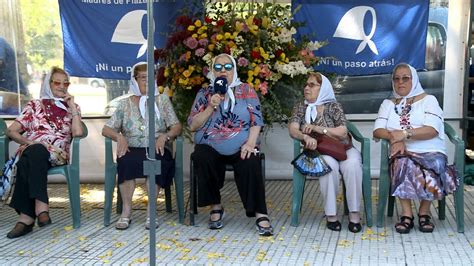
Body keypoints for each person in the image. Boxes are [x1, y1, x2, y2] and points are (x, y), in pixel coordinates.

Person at [188, 53, 273, 236]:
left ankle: (260, 213)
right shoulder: (204, 93)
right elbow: (193, 125)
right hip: (210, 145)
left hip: (241, 144)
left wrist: (250, 143)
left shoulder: (246, 90)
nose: (223, 71)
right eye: (218, 68)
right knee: (201, 156)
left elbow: (256, 120)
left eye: (228, 67)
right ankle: (216, 207)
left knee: (251, 159)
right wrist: (211, 106)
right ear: (212, 71)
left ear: (234, 69)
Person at [373, 63, 458, 234]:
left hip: (431, 148)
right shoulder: (388, 104)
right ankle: (407, 214)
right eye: (396, 79)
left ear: (414, 79)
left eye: (405, 78)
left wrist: (404, 134)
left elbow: (432, 129)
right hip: (402, 150)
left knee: (435, 164)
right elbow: (378, 129)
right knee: (402, 162)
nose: (400, 82)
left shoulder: (429, 100)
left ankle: (424, 212)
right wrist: (393, 138)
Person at [102, 62, 182, 230]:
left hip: (157, 147)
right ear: (135, 80)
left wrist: (165, 136)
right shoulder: (124, 104)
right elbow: (106, 128)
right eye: (143, 77)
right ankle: (126, 212)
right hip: (132, 147)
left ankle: (151, 213)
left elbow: (176, 126)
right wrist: (119, 136)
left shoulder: (162, 100)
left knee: (154, 160)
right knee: (126, 161)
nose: (147, 81)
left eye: (151, 77)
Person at [5, 66, 83, 239]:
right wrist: (29, 141)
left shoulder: (73, 107)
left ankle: (27, 217)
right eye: (57, 82)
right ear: (48, 84)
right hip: (33, 149)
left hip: (57, 153)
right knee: (34, 153)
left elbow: (77, 133)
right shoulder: (34, 105)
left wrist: (72, 108)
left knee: (28, 158)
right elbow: (12, 131)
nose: (62, 86)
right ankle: (39, 210)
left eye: (66, 83)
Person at [288, 72, 363, 233]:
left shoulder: (333, 106)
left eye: (312, 85)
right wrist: (305, 136)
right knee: (327, 166)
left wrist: (317, 128)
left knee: (353, 165)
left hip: (343, 148)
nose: (307, 88)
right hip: (320, 150)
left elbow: (343, 132)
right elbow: (293, 129)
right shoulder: (301, 106)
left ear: (323, 89)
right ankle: (331, 215)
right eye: (306, 85)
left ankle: (354, 213)